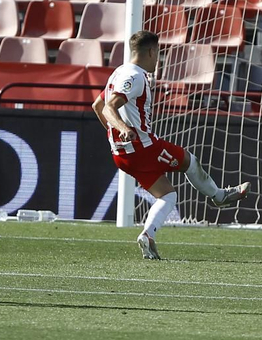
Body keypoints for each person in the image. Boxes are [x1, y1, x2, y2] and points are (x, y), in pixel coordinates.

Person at [93, 29, 250, 260]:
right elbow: (108, 107)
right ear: (151, 51)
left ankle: (148, 235)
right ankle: (219, 197)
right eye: (158, 54)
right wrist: (124, 129)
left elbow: (97, 105)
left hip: (122, 155)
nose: (159, 59)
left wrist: (114, 135)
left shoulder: (118, 73)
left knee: (167, 196)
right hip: (144, 148)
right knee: (189, 161)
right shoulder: (134, 76)